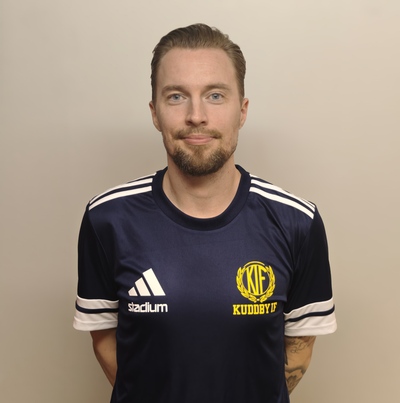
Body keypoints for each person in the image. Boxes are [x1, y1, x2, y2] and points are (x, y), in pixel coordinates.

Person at [73, 23, 337, 403]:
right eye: (176, 96)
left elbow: (299, 348)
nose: (196, 115)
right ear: (155, 113)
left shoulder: (297, 222)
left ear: (241, 111)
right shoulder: (107, 220)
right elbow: (104, 339)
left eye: (215, 95)